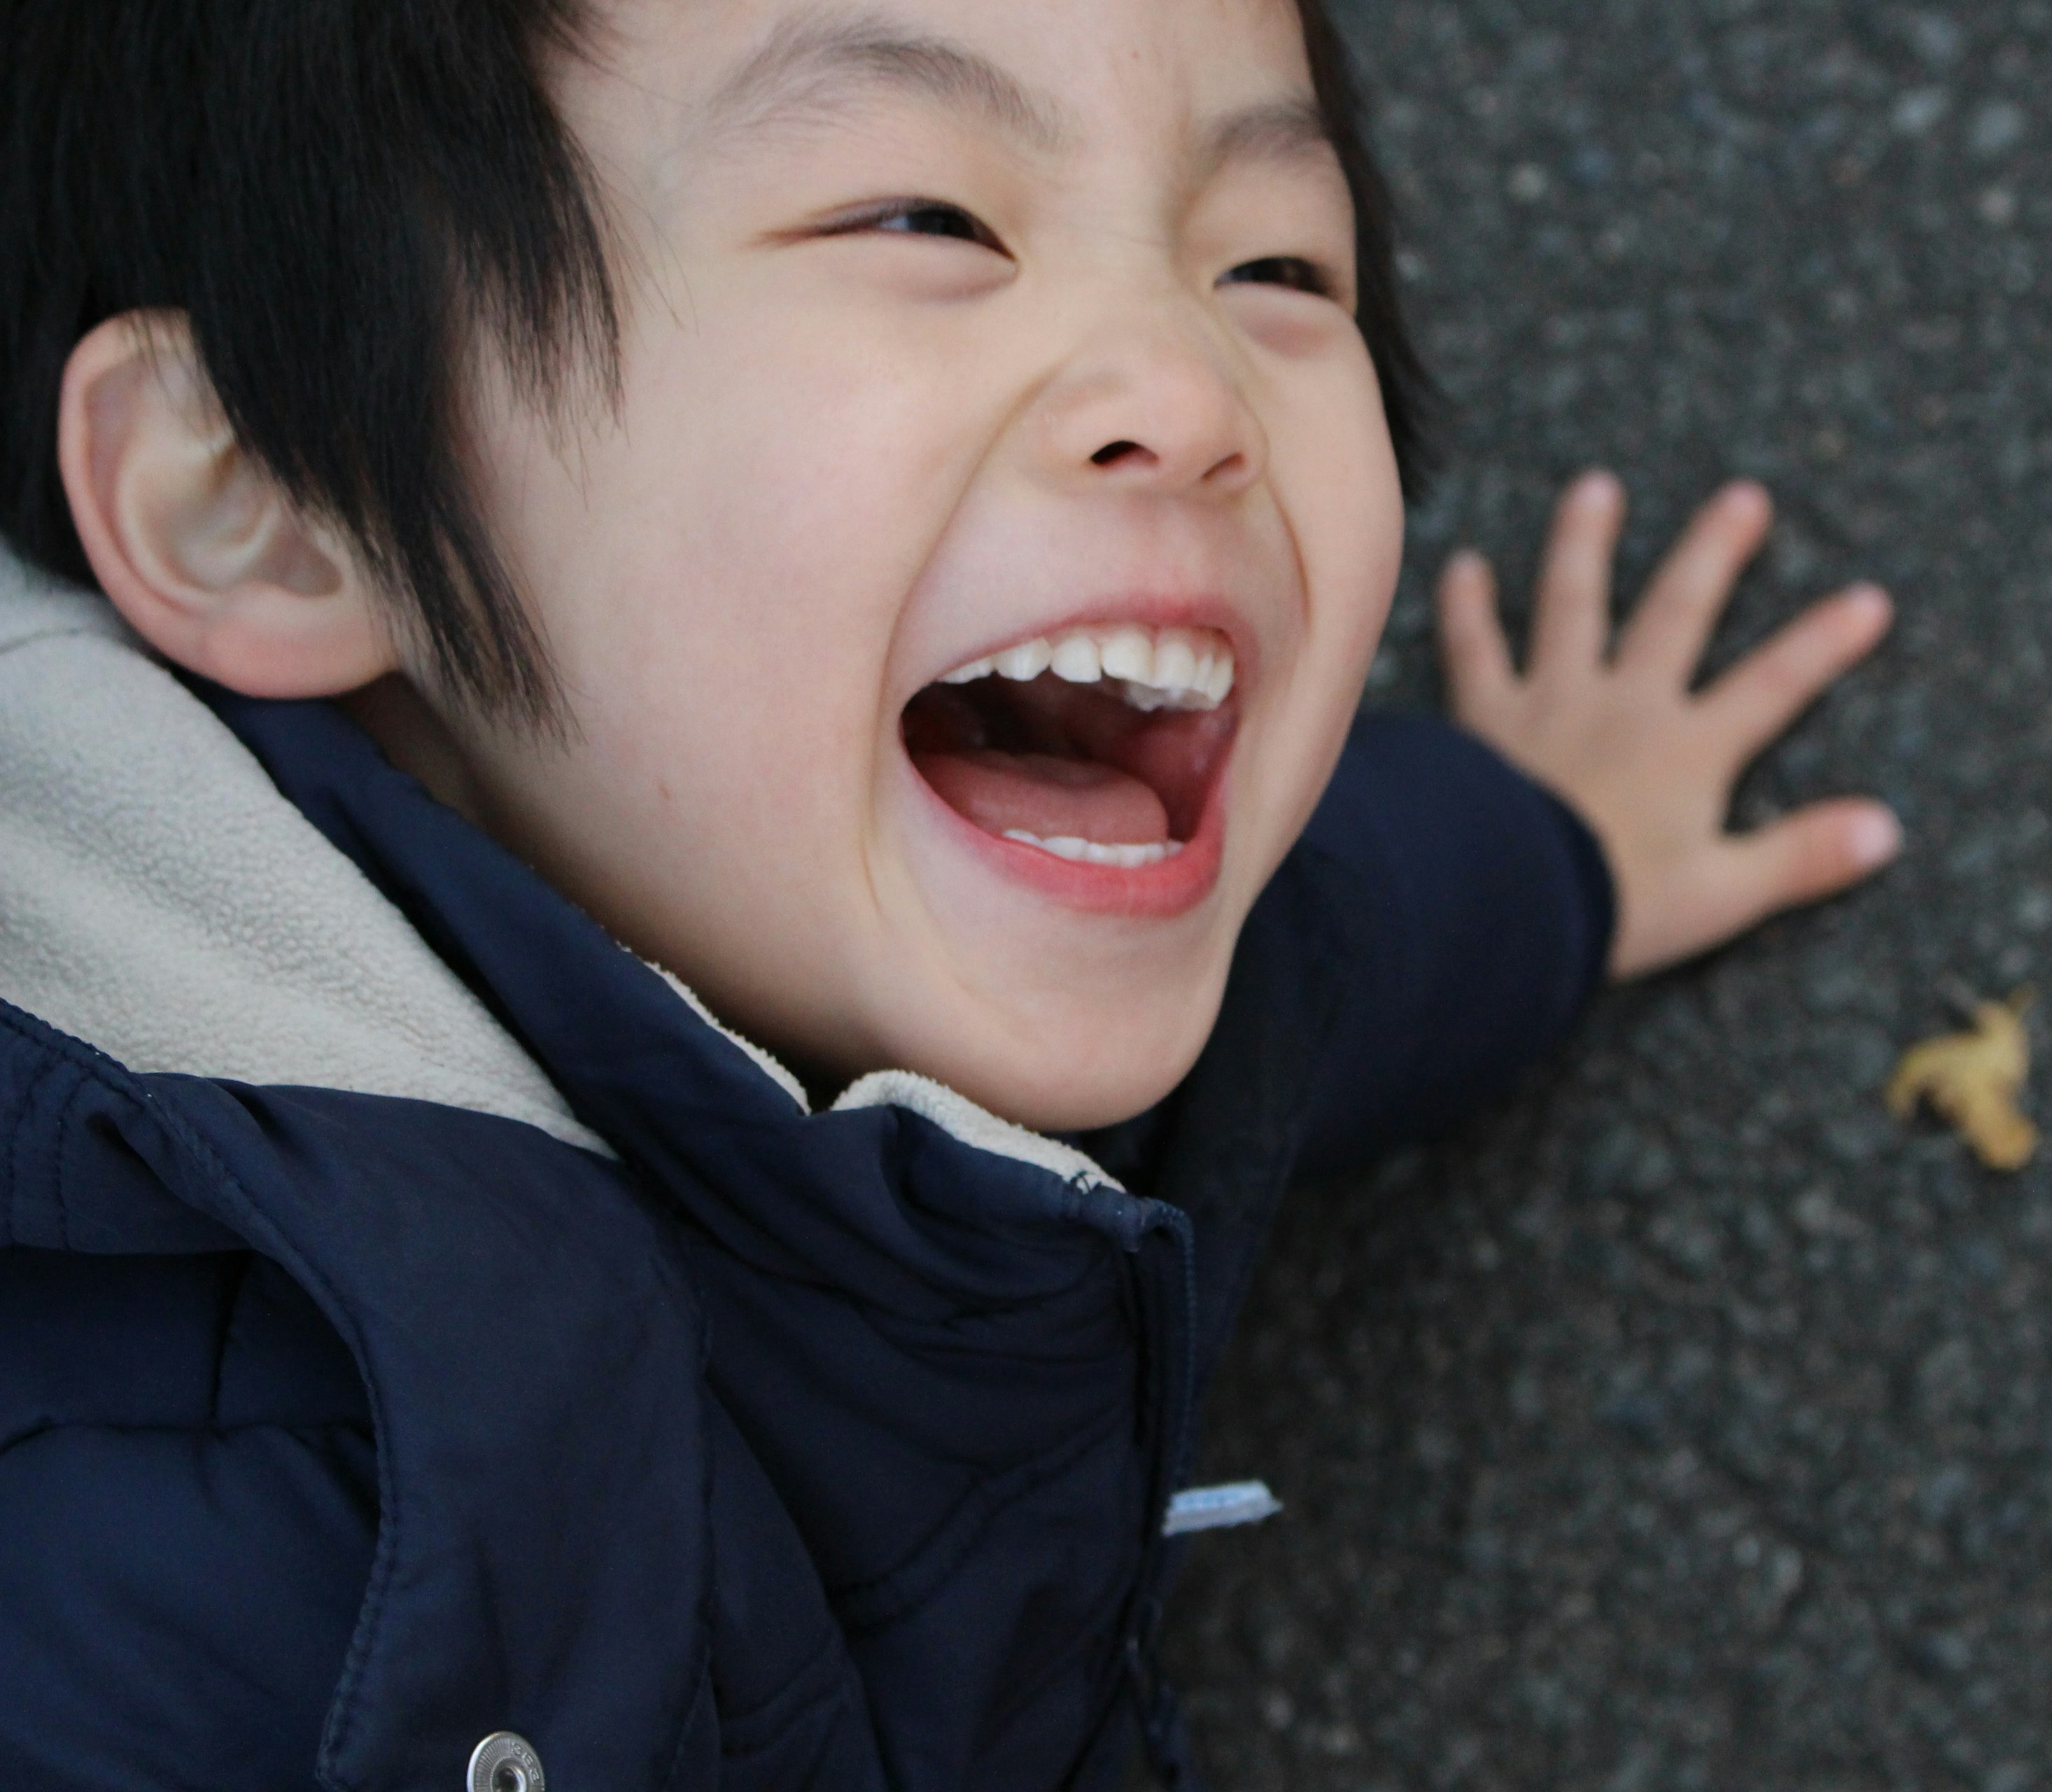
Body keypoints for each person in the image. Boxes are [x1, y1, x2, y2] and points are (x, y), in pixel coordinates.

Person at [0, 1, 1899, 1787]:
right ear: (260, 494)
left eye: (1274, 266)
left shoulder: (955, 886)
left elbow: (1331, 956)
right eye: (928, 218)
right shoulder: (210, 1586)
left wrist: (1556, 852)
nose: (1193, 385)